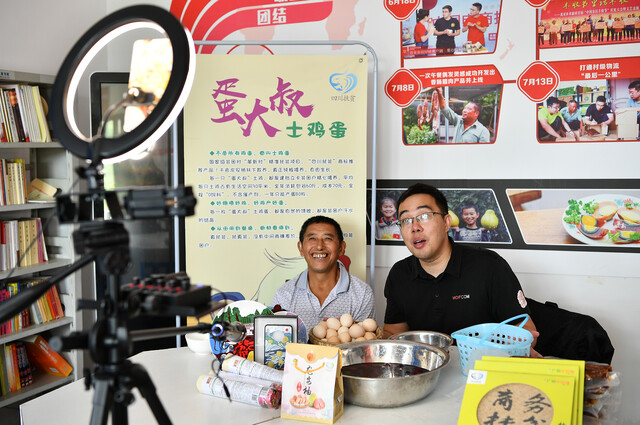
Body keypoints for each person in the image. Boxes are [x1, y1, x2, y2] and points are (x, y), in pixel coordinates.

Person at [382, 183, 540, 356]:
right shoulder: (399, 275)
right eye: (405, 220)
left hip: (482, 367)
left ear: (446, 222)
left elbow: (525, 330)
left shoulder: (489, 266)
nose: (415, 227)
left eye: (424, 216)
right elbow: (393, 333)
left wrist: (516, 345)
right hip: (425, 369)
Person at [271, 215, 375, 331]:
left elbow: (364, 339)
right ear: (301, 248)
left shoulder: (362, 294)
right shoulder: (284, 295)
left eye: (327, 239)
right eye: (312, 238)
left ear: (341, 248)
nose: (320, 246)